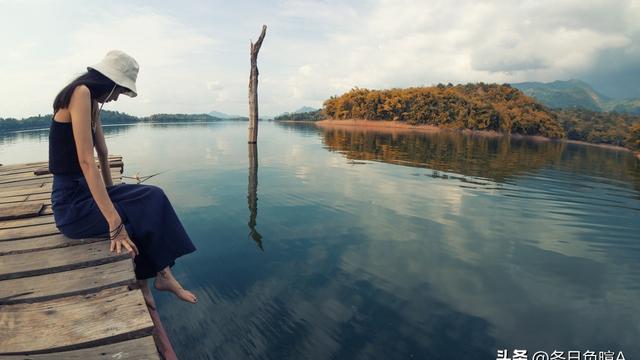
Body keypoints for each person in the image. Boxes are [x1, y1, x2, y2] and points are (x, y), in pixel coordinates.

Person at [49, 50, 197, 304]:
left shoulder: (93, 101)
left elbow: (103, 154)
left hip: (88, 193)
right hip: (70, 205)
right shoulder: (80, 93)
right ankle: (146, 281)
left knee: (153, 196)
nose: (118, 97)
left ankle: (163, 275)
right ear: (109, 82)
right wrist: (113, 221)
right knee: (128, 222)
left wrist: (113, 193)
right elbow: (86, 161)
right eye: (119, 90)